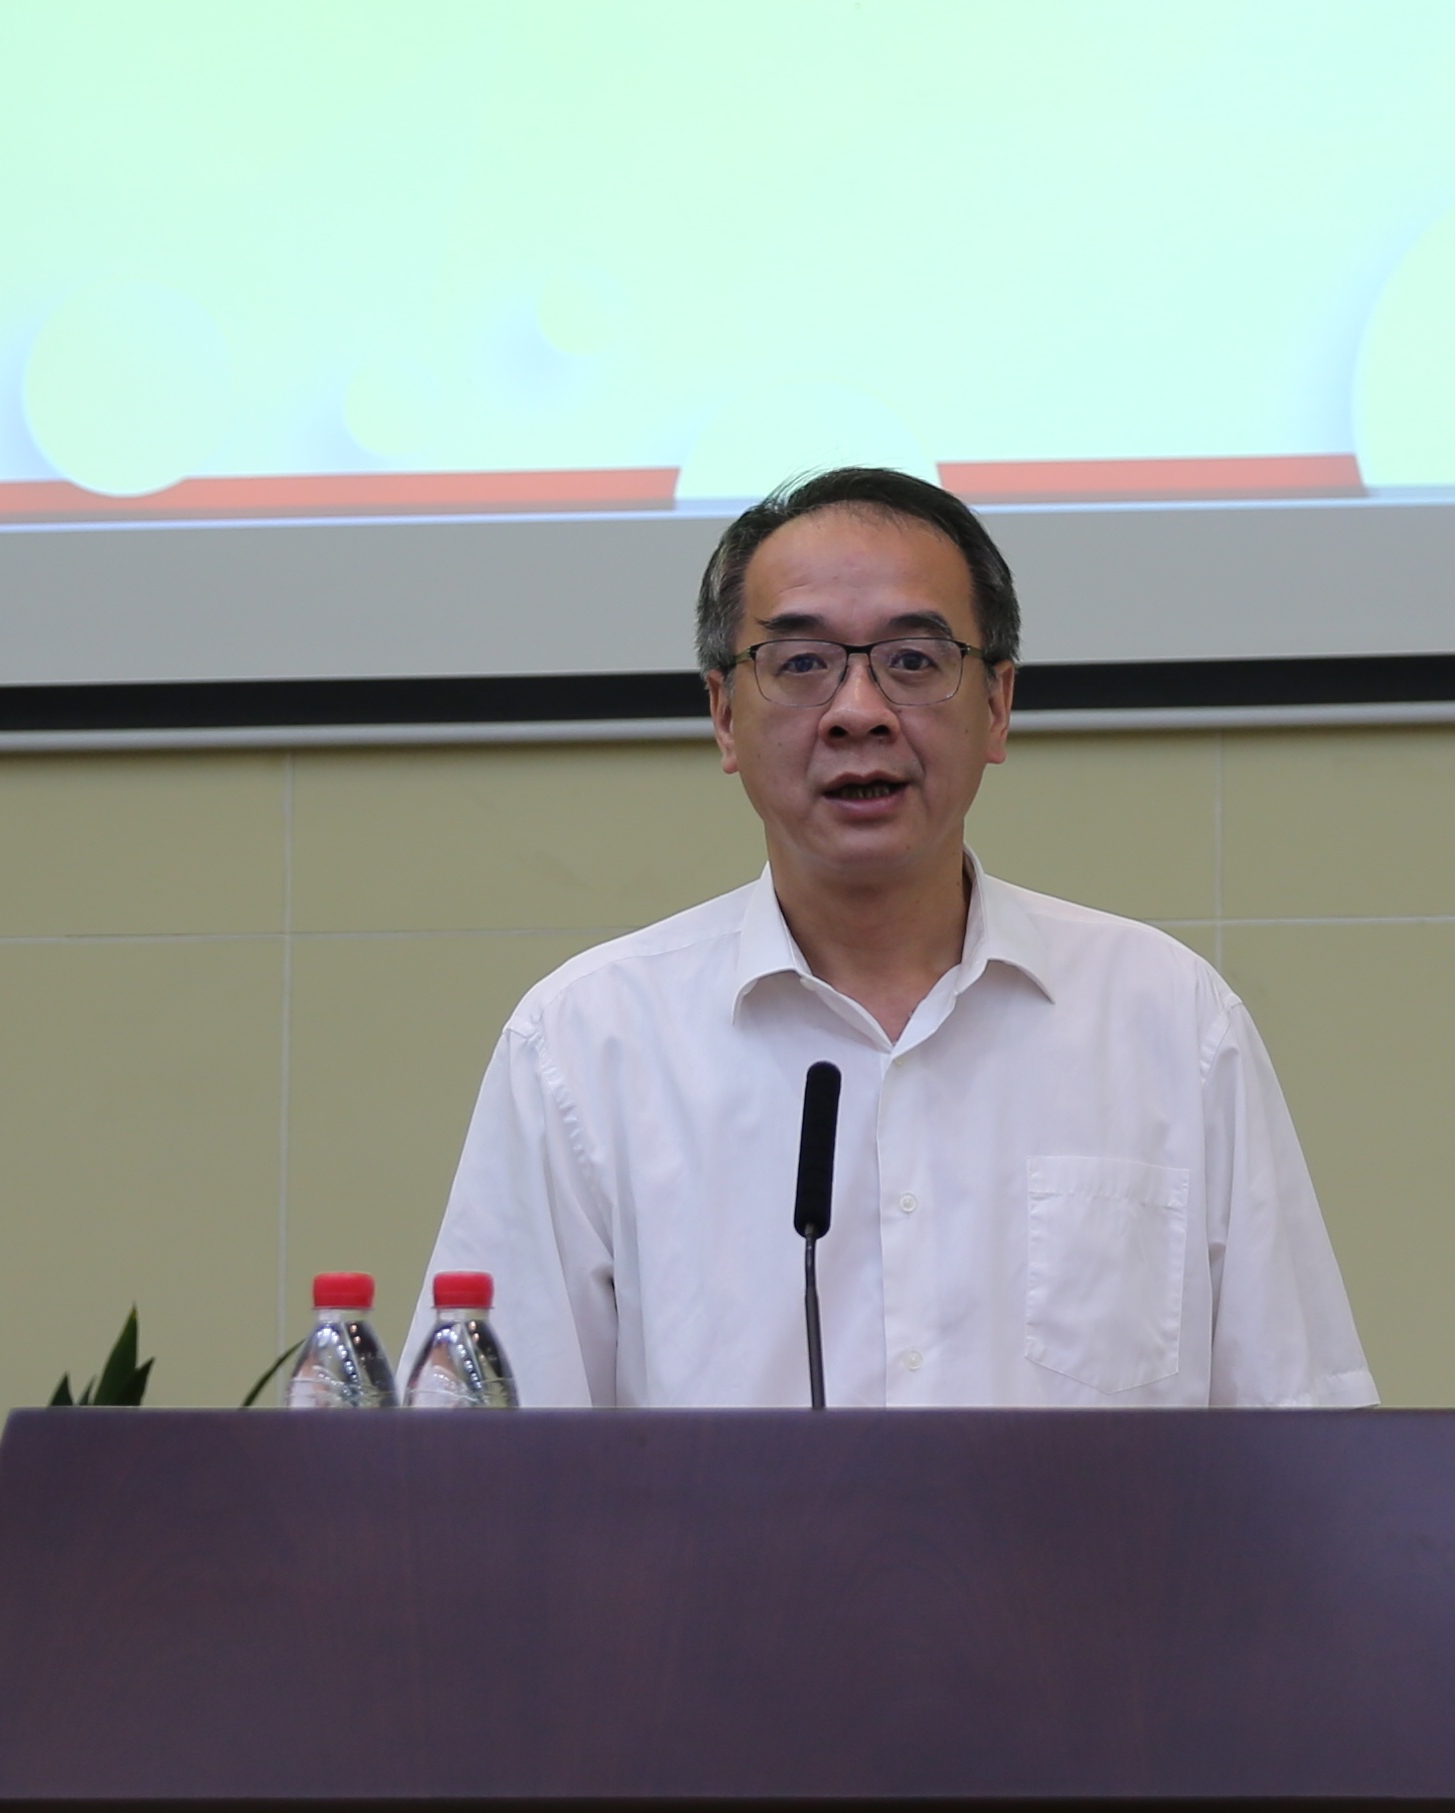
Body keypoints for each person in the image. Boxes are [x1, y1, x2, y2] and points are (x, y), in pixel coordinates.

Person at [410, 466, 1373, 1408]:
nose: (859, 713)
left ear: (996, 706)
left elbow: (1306, 1446)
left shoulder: (1169, 1019)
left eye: (913, 661)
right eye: (801, 665)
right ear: (724, 717)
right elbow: (485, 1470)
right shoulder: (587, 1046)